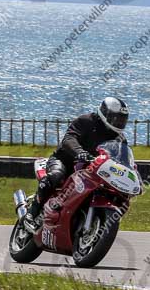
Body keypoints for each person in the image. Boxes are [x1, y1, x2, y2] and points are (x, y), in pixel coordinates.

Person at [24, 97, 129, 233]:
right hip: (65, 160)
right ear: (105, 114)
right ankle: (32, 213)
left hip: (92, 171)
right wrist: (80, 152)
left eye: (122, 119)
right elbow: (69, 138)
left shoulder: (119, 139)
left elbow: (123, 159)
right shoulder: (86, 121)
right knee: (56, 176)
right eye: (116, 118)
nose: (119, 122)